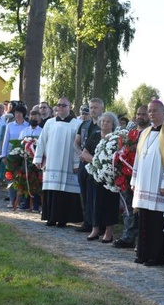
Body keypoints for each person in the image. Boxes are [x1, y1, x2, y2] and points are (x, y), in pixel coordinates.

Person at [130, 99, 164, 266]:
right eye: (150, 111)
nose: (151, 114)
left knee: (156, 221)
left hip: (159, 185)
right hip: (144, 184)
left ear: (163, 113)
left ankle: (157, 256)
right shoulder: (144, 133)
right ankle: (143, 253)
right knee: (144, 219)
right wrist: (134, 180)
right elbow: (138, 157)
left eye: (155, 111)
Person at [33, 97, 84, 227]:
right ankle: (50, 217)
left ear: (70, 107)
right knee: (52, 190)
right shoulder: (50, 123)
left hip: (68, 163)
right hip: (52, 162)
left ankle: (63, 219)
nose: (60, 107)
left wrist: (77, 163)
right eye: (59, 105)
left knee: (66, 192)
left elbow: (78, 145)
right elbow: (42, 141)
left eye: (64, 105)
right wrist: (38, 158)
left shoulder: (76, 124)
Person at [81, 112, 121, 243]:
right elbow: (84, 153)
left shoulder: (116, 138)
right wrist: (96, 161)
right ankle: (95, 229)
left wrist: (108, 166)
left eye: (108, 121)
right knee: (94, 201)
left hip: (110, 177)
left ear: (113, 124)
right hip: (95, 175)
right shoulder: (94, 136)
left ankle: (109, 232)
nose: (104, 123)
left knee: (109, 203)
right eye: (103, 121)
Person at [114, 104, 149, 249]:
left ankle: (141, 238)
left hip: (143, 176)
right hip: (127, 174)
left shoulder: (151, 132)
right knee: (128, 206)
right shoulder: (130, 132)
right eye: (138, 114)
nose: (140, 117)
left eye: (144, 114)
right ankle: (128, 236)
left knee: (140, 208)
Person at [74, 99, 104, 233]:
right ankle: (87, 222)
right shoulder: (84, 124)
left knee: (96, 196)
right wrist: (81, 153)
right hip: (83, 163)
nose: (93, 110)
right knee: (84, 193)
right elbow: (76, 142)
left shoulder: (104, 125)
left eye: (96, 108)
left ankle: (97, 224)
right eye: (91, 107)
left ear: (102, 109)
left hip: (98, 166)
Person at [0, 104, 29, 208]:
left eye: (20, 113)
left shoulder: (27, 126)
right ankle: (12, 200)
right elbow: (6, 141)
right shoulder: (10, 125)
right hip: (11, 155)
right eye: (16, 113)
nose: (18, 115)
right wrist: (3, 155)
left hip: (23, 155)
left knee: (21, 178)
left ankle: (20, 200)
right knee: (10, 177)